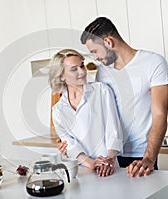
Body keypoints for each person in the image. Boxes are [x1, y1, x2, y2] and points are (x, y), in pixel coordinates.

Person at [58, 17, 168, 177]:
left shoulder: (153, 63)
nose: (95, 58)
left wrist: (149, 158)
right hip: (108, 158)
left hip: (140, 155)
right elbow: (95, 117)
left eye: (95, 51)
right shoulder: (103, 73)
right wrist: (69, 144)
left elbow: (160, 114)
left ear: (108, 42)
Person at [49, 49, 123, 177]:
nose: (82, 71)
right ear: (61, 76)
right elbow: (69, 143)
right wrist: (91, 163)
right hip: (81, 171)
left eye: (82, 65)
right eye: (74, 69)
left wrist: (109, 160)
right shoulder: (58, 110)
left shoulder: (101, 91)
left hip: (108, 169)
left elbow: (113, 131)